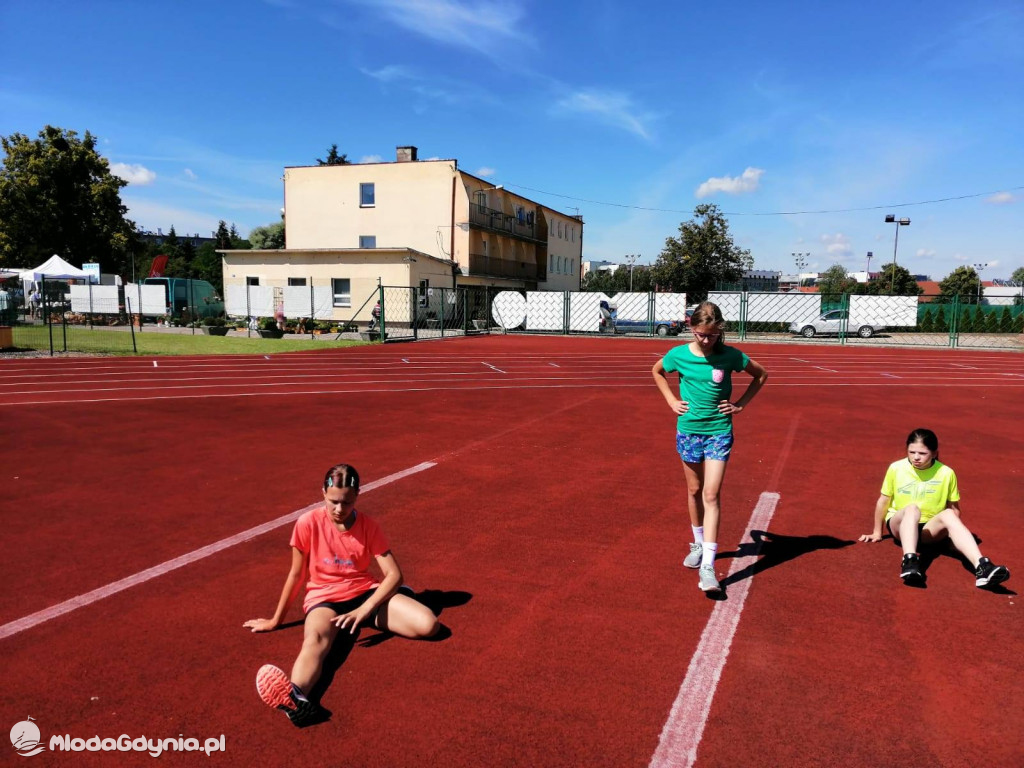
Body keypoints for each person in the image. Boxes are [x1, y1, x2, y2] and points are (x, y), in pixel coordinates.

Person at [244, 463, 440, 725]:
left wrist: (364, 609)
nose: (339, 509)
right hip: (324, 600)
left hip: (364, 594)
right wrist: (275, 620)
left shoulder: (369, 526)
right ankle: (296, 698)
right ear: (323, 493)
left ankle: (394, 598)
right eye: (333, 501)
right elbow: (296, 575)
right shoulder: (307, 523)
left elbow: (394, 574)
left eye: (346, 502)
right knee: (315, 640)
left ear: (357, 495)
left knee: (430, 626)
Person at [651, 301, 768, 592]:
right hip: (689, 431)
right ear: (692, 328)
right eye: (701, 334)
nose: (706, 340)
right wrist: (671, 400)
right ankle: (697, 544)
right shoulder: (678, 355)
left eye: (712, 335)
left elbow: (761, 375)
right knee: (694, 490)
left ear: (720, 331)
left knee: (711, 494)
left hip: (719, 432)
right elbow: (657, 371)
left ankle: (708, 567)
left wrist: (740, 405)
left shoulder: (731, 356)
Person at [859, 428, 1010, 588]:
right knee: (912, 509)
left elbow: (954, 508)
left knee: (949, 514)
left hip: (929, 530)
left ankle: (982, 567)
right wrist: (877, 532)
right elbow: (883, 501)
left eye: (922, 453)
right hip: (900, 523)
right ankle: (910, 561)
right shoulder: (896, 468)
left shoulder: (946, 473)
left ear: (934, 453)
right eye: (912, 452)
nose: (916, 457)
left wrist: (952, 533)